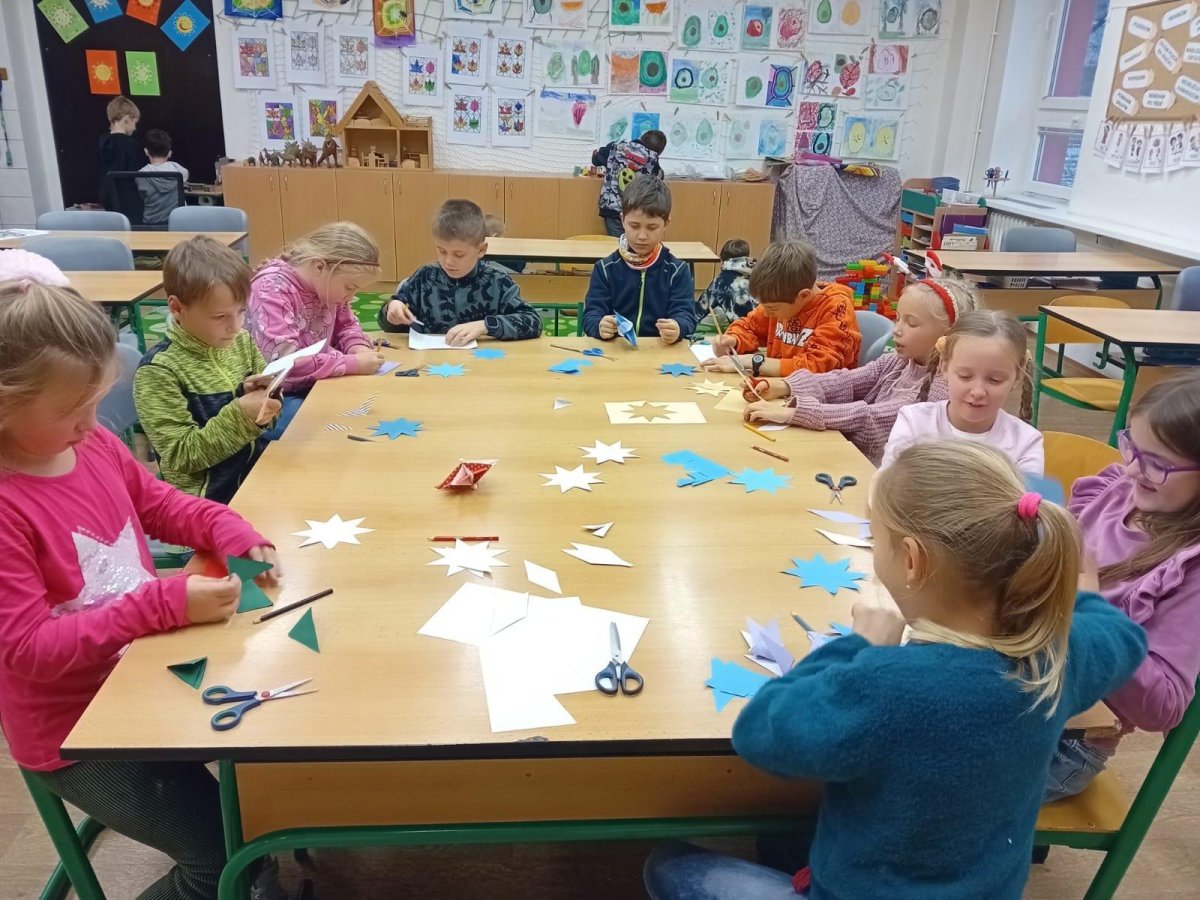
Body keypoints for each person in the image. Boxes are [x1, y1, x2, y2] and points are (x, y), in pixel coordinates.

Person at [644, 442, 1146, 900]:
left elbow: (761, 731)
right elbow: (1124, 638)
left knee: (669, 867)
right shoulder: (1056, 659)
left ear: (910, 560)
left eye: (874, 538)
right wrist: (1080, 595)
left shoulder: (886, 684)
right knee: (789, 835)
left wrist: (857, 647)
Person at [0, 277, 284, 900]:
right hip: (75, 732)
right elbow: (26, 650)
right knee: (219, 862)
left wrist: (230, 530)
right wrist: (164, 602)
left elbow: (160, 505)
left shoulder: (93, 444)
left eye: (96, 402)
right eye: (69, 411)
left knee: (270, 779)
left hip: (139, 671)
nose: (91, 424)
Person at [1046, 372, 1200, 801]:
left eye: (1158, 464)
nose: (1133, 469)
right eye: (1131, 446)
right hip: (1022, 690)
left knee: (905, 772)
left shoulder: (1190, 567)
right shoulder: (1118, 491)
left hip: (1064, 742)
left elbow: (1163, 706)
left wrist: (1087, 605)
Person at [742, 277, 980, 465]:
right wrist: (785, 386)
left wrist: (796, 412)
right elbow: (848, 381)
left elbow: (871, 417)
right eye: (898, 319)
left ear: (948, 334)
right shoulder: (901, 362)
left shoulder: (943, 388)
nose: (897, 330)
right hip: (857, 461)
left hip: (878, 475)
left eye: (911, 323)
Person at [134, 236, 278, 505]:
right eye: (220, 316)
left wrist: (263, 397)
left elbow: (267, 418)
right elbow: (180, 455)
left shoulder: (241, 342)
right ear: (177, 308)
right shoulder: (159, 371)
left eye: (241, 312)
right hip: (204, 505)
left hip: (253, 479)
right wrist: (242, 415)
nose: (235, 326)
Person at [880, 309, 1044, 475]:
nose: (978, 391)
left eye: (995, 380)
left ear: (1017, 378)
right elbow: (885, 485)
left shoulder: (1026, 443)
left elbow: (1027, 493)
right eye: (965, 376)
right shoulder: (914, 422)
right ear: (944, 367)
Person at [247, 220, 384, 397]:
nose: (351, 297)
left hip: (317, 383)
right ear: (320, 267)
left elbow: (346, 326)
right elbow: (283, 364)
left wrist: (357, 347)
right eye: (349, 287)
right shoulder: (271, 289)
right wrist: (353, 363)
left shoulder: (327, 289)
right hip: (274, 395)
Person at [378, 200, 542, 345]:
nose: (448, 261)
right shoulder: (424, 278)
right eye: (442, 251)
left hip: (483, 363)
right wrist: (391, 311)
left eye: (459, 254)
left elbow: (533, 322)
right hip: (431, 364)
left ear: (481, 250)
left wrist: (485, 325)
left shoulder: (498, 281)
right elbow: (389, 326)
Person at [701, 240, 860, 376]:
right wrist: (734, 339)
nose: (767, 313)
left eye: (773, 308)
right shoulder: (781, 300)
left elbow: (818, 365)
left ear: (803, 296)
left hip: (817, 397)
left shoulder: (836, 309)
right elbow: (750, 326)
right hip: (780, 389)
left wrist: (753, 361)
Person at [581, 175, 696, 346]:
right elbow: (591, 316)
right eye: (634, 226)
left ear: (666, 223)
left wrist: (678, 327)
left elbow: (687, 316)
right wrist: (599, 325)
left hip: (659, 352)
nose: (642, 236)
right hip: (616, 351)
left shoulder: (677, 271)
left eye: (652, 227)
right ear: (622, 220)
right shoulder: (605, 269)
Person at [592, 128, 667, 237]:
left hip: (612, 209)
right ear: (659, 152)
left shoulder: (616, 147)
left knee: (617, 243)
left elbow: (597, 159)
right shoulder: (653, 161)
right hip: (635, 213)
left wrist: (595, 155)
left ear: (641, 139)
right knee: (633, 243)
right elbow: (658, 180)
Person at [98, 96, 143, 222]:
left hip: (107, 195)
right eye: (134, 123)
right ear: (127, 119)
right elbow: (135, 173)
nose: (135, 128)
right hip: (128, 197)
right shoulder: (130, 144)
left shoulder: (102, 142)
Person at [695, 238, 755, 326]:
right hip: (763, 326)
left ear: (723, 258)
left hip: (743, 329)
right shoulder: (757, 274)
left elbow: (700, 309)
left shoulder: (721, 281)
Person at [138, 128, 188, 226]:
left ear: (146, 151)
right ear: (169, 153)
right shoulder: (180, 171)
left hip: (151, 224)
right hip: (177, 223)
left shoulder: (140, 175)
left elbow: (142, 195)